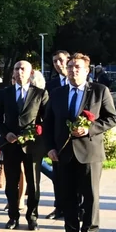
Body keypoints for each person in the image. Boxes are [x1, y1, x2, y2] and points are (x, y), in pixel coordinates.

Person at [45, 53, 116, 232]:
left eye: (77, 67)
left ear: (87, 71)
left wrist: (89, 129)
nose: (73, 70)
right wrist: (50, 148)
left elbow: (112, 118)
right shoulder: (57, 93)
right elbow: (48, 123)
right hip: (63, 153)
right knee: (66, 194)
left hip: (89, 152)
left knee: (90, 195)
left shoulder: (99, 91)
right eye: (70, 67)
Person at [0, 60, 48, 231]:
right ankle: (13, 217)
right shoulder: (5, 93)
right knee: (11, 183)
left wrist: (37, 132)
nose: (19, 72)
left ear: (31, 73)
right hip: (10, 145)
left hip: (32, 145)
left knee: (33, 183)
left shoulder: (40, 93)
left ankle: (32, 217)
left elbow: (47, 119)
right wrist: (5, 133)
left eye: (23, 68)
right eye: (16, 69)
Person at [46, 49, 72, 220]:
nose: (58, 64)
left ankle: (80, 207)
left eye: (61, 60)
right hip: (58, 136)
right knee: (58, 174)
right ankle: (59, 206)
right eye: (55, 61)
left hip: (81, 136)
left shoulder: (86, 81)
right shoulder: (51, 85)